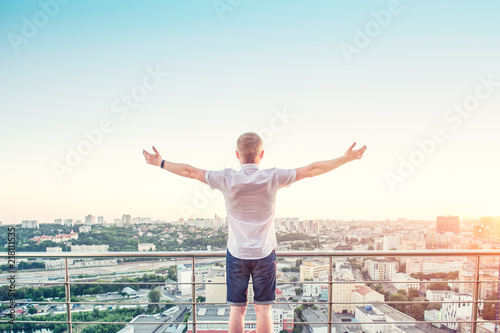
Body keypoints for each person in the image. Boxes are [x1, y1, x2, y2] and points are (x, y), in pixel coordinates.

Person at [143, 132, 366, 333]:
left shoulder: (226, 178)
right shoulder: (273, 176)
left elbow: (190, 172)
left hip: (237, 254)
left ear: (237, 155)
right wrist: (345, 159)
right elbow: (311, 170)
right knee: (264, 310)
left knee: (237, 311)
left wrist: (160, 162)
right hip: (264, 254)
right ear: (261, 154)